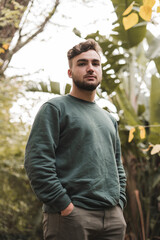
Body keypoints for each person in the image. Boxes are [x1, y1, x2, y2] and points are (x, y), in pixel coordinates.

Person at [24, 39, 127, 240]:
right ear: (70, 72)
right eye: (82, 63)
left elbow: (117, 167)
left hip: (113, 219)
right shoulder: (55, 108)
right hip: (72, 215)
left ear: (101, 70)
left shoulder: (109, 119)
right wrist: (64, 205)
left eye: (95, 64)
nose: (90, 68)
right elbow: (37, 161)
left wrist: (119, 203)